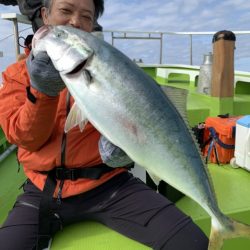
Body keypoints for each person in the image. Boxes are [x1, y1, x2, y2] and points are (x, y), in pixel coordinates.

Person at [0, 0, 209, 249]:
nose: (76, 21)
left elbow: (142, 120)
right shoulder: (16, 74)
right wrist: (42, 91)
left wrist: (128, 148)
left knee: (193, 243)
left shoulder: (111, 69)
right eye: (66, 11)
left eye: (86, 16)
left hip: (108, 185)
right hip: (42, 190)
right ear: (45, 15)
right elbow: (23, 137)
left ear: (92, 25)